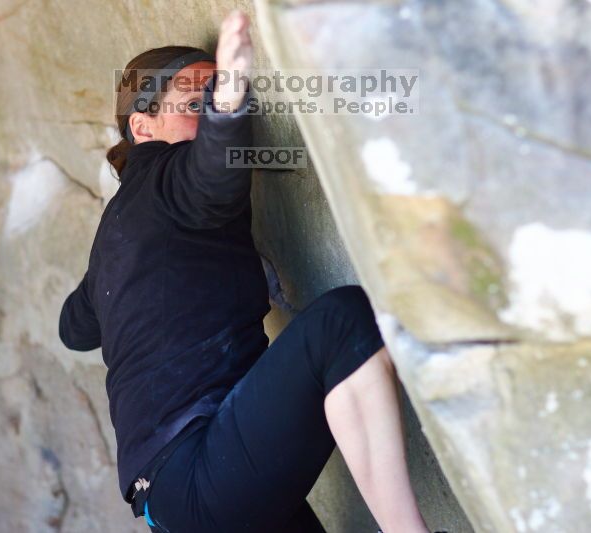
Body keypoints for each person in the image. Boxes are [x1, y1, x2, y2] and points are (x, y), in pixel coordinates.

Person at [59, 9, 428, 533]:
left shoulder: (119, 234)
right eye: (194, 104)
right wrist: (230, 92)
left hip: (174, 502)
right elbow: (210, 177)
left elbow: (73, 329)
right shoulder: (166, 178)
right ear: (142, 127)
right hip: (199, 474)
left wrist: (120, 279)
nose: (208, 117)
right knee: (341, 324)